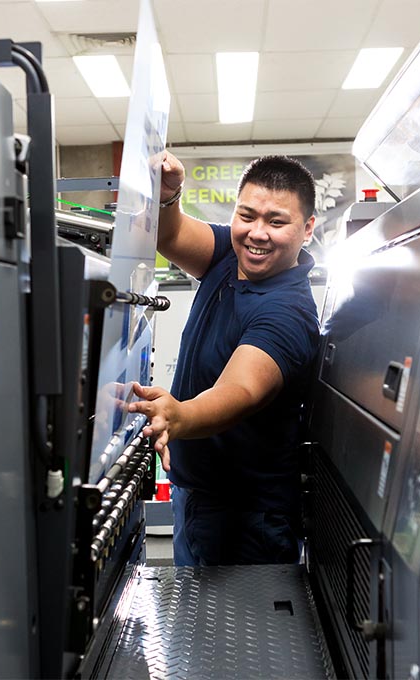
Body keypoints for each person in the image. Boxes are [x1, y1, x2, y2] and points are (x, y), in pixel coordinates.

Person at [128, 151, 320, 566]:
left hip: (245, 518)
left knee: (231, 631)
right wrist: (168, 196)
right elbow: (170, 235)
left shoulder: (287, 310)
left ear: (307, 229)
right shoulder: (229, 256)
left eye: (276, 221)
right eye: (247, 215)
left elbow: (241, 389)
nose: (257, 233)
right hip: (197, 496)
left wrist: (178, 416)